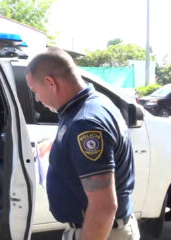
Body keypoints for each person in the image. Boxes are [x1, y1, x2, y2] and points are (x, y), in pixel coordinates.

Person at [26, 47, 139, 240]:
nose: (37, 99)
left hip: (101, 232)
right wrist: (56, 145)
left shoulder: (85, 124)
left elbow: (103, 207)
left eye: (35, 91)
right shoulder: (91, 104)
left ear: (50, 82)